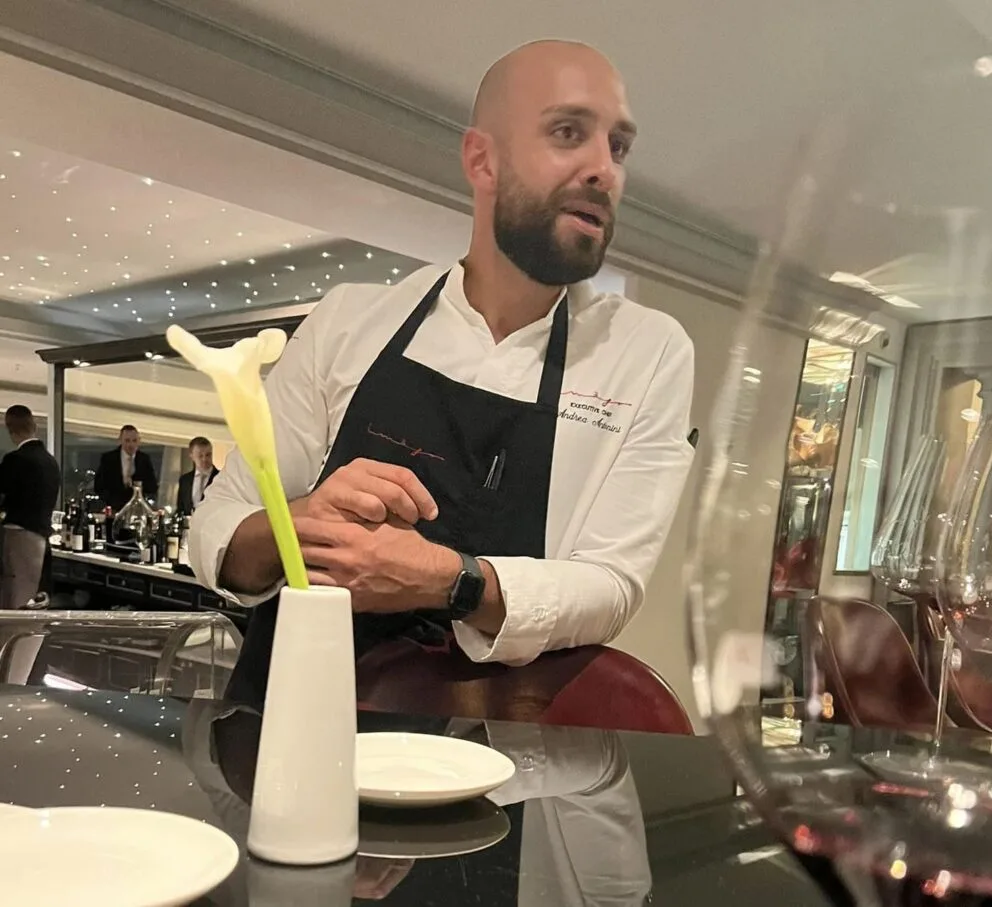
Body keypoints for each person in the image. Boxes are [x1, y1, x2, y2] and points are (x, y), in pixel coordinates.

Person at [192, 40, 695, 703]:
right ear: (482, 159)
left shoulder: (647, 352)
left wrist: (448, 580)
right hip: (288, 714)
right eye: (568, 133)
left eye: (619, 147)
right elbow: (218, 528)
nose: (605, 169)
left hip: (483, 739)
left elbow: (610, 587)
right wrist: (303, 525)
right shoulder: (349, 320)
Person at [0, 405, 61, 609]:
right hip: (41, 538)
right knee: (33, 599)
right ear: (34, 426)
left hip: (18, 536)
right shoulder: (51, 462)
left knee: (15, 597)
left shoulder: (15, 460)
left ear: (10, 429)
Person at [93, 424, 159, 512]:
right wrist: (110, 501)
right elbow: (99, 486)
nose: (131, 444)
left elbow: (152, 486)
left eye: (134, 440)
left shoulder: (144, 459)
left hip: (137, 509)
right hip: (114, 507)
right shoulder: (108, 459)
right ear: (120, 440)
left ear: (139, 441)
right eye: (127, 440)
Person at [176, 437, 219, 516]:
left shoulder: (221, 478)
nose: (204, 459)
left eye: (208, 455)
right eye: (200, 456)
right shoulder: (185, 480)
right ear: (191, 456)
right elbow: (181, 509)